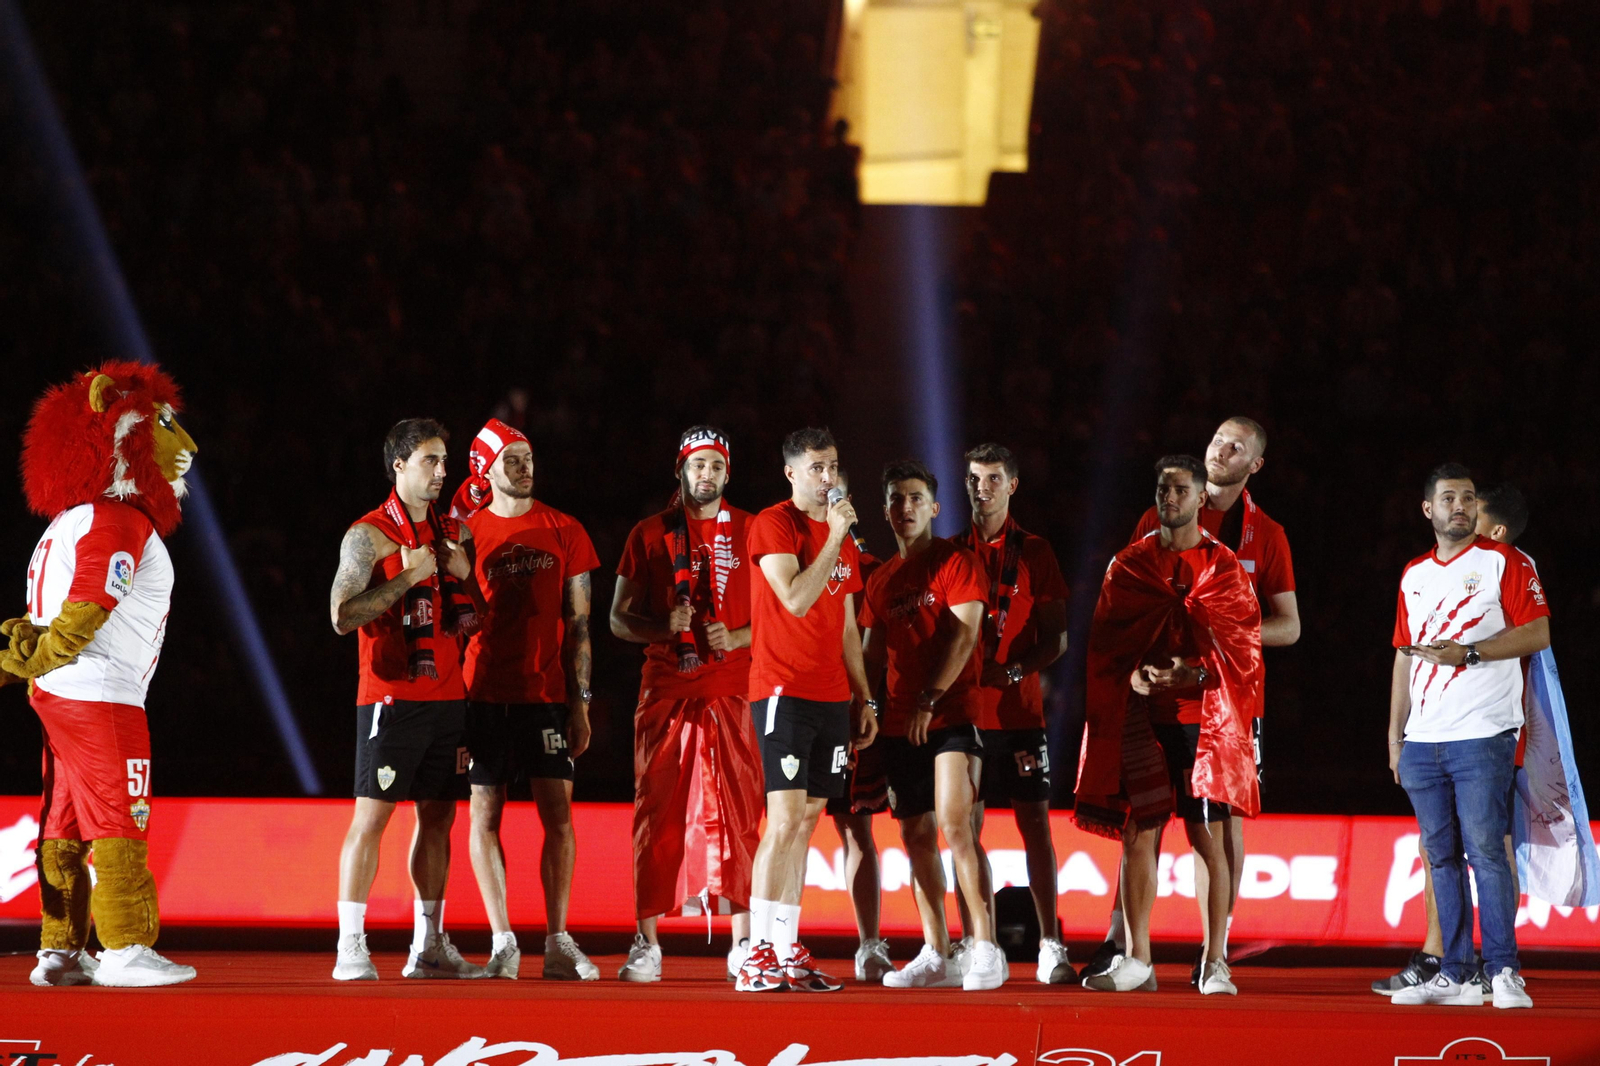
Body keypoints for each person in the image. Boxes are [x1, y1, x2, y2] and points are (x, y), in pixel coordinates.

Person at [3, 363, 199, 988]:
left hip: (61, 695)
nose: (186, 445)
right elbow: (89, 605)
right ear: (121, 436)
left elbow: (44, 614)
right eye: (163, 425)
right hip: (101, 694)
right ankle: (126, 947)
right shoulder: (117, 519)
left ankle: (59, 951)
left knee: (62, 822)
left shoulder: (67, 521)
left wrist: (27, 662)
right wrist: (39, 658)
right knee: (121, 815)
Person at [1087, 417, 1298, 984]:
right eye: (1217, 440)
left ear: (1253, 465)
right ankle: (1129, 949)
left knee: (1219, 829)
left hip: (1223, 706)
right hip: (1150, 706)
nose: (1221, 450)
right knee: (1140, 827)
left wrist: (1212, 654)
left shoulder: (1256, 540)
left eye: (1236, 447)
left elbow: (1288, 626)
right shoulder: (1145, 537)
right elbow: (1122, 626)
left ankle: (1214, 954)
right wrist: (1135, 673)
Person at [1387, 464, 1546, 1009]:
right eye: (1449, 497)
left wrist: (1471, 653)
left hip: (1482, 734)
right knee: (1440, 858)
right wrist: (1395, 737)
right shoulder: (1413, 574)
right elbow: (1404, 658)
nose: (1460, 505)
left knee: (1486, 853)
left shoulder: (1504, 561)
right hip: (1422, 740)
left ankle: (1503, 971)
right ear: (1428, 509)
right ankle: (1454, 974)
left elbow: (1538, 632)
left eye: (1469, 497)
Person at [329, 418, 483, 981]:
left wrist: (466, 576)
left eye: (445, 461)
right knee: (371, 818)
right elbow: (341, 616)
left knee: (438, 819)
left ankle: (430, 946)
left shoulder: (456, 533)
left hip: (449, 697)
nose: (443, 472)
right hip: (390, 698)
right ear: (398, 465)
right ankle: (350, 945)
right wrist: (407, 579)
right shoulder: (367, 535)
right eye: (430, 461)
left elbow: (479, 618)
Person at [609, 426, 763, 982]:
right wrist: (661, 625)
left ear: (728, 473)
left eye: (716, 466)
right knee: (657, 815)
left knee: (742, 815)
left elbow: (783, 611)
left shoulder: (753, 529)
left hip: (733, 688)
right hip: (666, 689)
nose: (707, 475)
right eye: (698, 465)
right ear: (681, 469)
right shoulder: (649, 532)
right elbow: (617, 619)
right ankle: (647, 943)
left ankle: (744, 942)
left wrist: (737, 637)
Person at [454, 419, 601, 981]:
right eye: (511, 459)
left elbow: (580, 624)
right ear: (485, 469)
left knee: (558, 817)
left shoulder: (565, 528)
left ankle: (558, 942)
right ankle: (503, 943)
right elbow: (457, 622)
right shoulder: (466, 534)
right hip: (483, 695)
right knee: (484, 815)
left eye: (528, 457)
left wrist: (581, 702)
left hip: (546, 696)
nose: (524, 467)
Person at [735, 427, 877, 993]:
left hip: (831, 696)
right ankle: (756, 952)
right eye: (816, 467)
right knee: (785, 819)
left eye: (833, 466)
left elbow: (846, 624)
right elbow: (795, 598)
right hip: (783, 689)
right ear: (791, 473)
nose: (828, 477)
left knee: (808, 821)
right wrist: (834, 535)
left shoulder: (842, 537)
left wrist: (863, 695)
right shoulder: (774, 524)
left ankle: (786, 947)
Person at [860, 460, 1005, 991]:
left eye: (916, 498)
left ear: (935, 508)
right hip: (899, 722)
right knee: (914, 834)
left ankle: (985, 948)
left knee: (955, 824)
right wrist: (863, 707)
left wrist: (929, 698)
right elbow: (872, 653)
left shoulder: (955, 561)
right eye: (897, 499)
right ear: (885, 511)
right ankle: (936, 952)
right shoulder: (880, 580)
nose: (906, 507)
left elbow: (965, 637)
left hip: (951, 714)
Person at [953, 443, 1072, 984]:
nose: (983, 489)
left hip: (1020, 716)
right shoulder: (951, 552)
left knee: (1035, 828)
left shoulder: (1036, 552)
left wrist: (1018, 671)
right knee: (964, 829)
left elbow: (1057, 639)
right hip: (965, 715)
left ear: (1013, 485)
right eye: (975, 479)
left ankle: (1050, 943)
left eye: (994, 478)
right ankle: (975, 942)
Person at [821, 469, 894, 983]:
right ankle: (765, 942)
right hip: (795, 707)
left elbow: (875, 648)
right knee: (787, 825)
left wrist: (861, 702)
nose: (833, 501)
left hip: (850, 713)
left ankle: (869, 943)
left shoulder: (873, 570)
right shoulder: (784, 554)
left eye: (840, 494)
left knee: (857, 827)